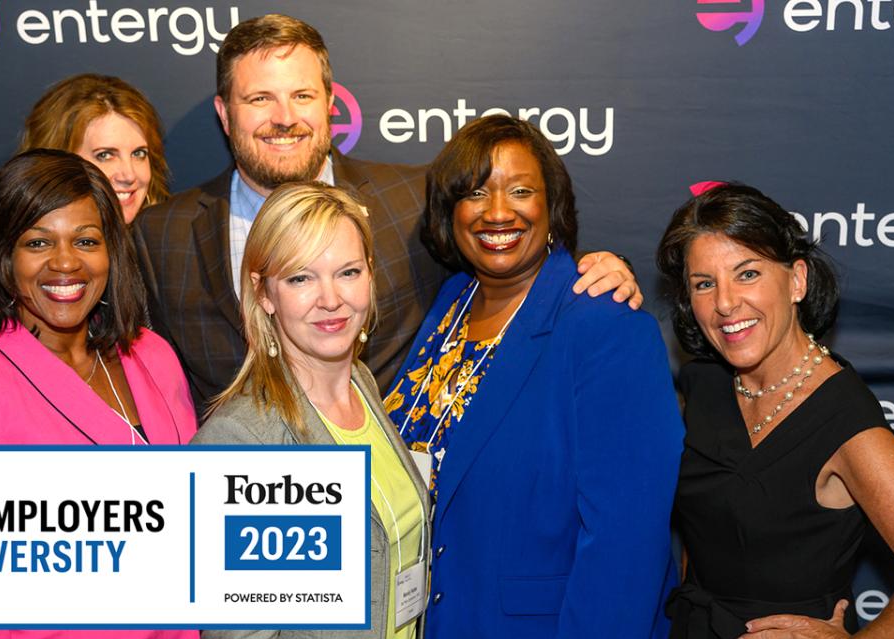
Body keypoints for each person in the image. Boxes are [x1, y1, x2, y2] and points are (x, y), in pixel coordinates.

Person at [133, 13, 642, 415]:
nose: (284, 117)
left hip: (396, 498)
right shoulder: (161, 235)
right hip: (249, 507)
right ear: (225, 113)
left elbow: (508, 255)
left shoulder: (412, 199)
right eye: (260, 98)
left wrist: (593, 267)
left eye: (302, 95)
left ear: (330, 103)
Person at [383, 116, 683, 639]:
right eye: (475, 192)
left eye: (521, 190)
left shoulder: (604, 325)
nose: (498, 212)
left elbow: (626, 549)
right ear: (450, 212)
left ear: (554, 207)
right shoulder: (452, 300)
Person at [655, 182, 894, 639]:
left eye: (747, 274)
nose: (725, 304)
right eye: (704, 284)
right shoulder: (702, 383)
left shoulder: (844, 420)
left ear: (797, 281)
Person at [0, 149, 198, 639]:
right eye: (38, 242)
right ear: (1, 256)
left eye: (86, 240)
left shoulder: (153, 356)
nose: (66, 263)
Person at [195, 182, 429, 639]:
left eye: (348, 272)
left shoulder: (361, 383)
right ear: (264, 293)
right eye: (301, 278)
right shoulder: (242, 443)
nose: (331, 299)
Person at [20, 73, 169, 225]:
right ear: (57, 162)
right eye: (105, 155)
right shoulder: (17, 243)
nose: (129, 175)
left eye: (139, 153)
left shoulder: (165, 241)